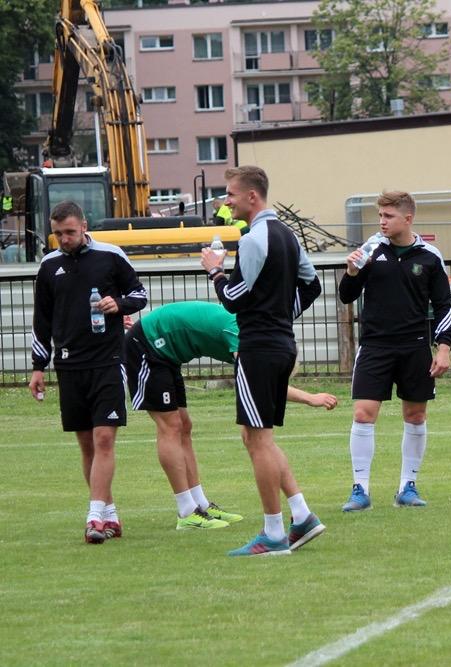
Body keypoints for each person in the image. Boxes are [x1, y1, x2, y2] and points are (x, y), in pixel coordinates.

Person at [124, 301, 338, 531]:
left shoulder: (254, 333)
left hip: (167, 351)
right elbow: (259, 381)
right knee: (171, 425)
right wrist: (310, 398)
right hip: (147, 345)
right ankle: (186, 512)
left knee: (184, 426)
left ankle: (200, 504)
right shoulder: (243, 338)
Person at [200, 165, 324, 556]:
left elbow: (234, 298)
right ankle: (301, 515)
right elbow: (313, 285)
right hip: (280, 343)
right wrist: (282, 315)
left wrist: (215, 271)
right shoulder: (287, 234)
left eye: (230, 194)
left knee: (259, 440)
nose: (227, 202)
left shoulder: (254, 239)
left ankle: (273, 534)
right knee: (255, 436)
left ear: (251, 196)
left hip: (259, 347)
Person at [28, 200, 148, 544]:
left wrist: (118, 304)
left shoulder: (111, 255)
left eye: (69, 232)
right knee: (86, 445)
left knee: (104, 438)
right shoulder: (49, 266)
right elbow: (41, 321)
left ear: (83, 226)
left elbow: (139, 295)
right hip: (69, 365)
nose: (64, 239)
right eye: (58, 234)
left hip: (108, 360)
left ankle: (93, 517)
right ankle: (110, 515)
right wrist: (38, 367)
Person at [337, 191, 451, 512]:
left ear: (408, 218)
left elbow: (443, 305)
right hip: (374, 346)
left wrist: (444, 347)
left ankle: (407, 487)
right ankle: (360, 489)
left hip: (415, 347)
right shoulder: (371, 250)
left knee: (415, 416)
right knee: (363, 414)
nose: (382, 222)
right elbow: (346, 296)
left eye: (388, 216)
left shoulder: (430, 256)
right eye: (380, 216)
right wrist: (352, 272)